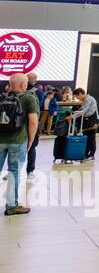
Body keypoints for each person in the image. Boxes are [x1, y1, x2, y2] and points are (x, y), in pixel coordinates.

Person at [2, 72, 39, 215]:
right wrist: (30, 140)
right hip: (18, 141)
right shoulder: (29, 98)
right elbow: (33, 121)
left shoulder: (1, 97)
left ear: (10, 85)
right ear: (24, 85)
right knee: (14, 173)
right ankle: (11, 206)